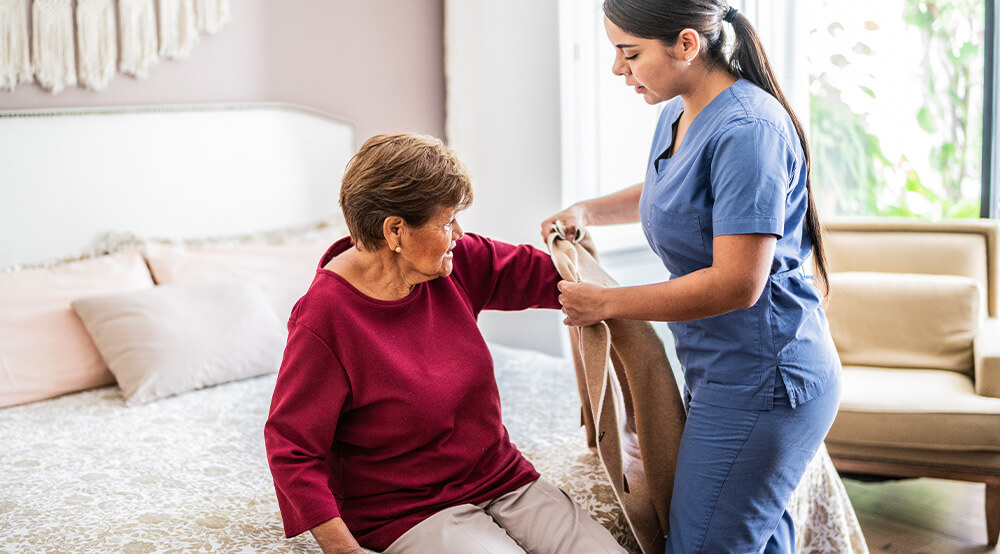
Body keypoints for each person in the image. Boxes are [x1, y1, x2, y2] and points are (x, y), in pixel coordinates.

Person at [541, 2, 842, 553]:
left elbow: (737, 283)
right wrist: (586, 211)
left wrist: (607, 302)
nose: (617, 69)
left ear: (686, 44)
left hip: (765, 381)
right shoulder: (680, 109)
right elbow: (671, 191)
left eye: (629, 53)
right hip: (719, 371)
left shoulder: (750, 130)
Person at [265, 133, 625, 554]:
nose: (459, 231)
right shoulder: (325, 317)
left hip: (500, 477)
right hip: (404, 510)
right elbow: (292, 449)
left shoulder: (457, 263)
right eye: (446, 221)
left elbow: (555, 278)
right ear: (395, 230)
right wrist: (343, 550)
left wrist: (592, 268)